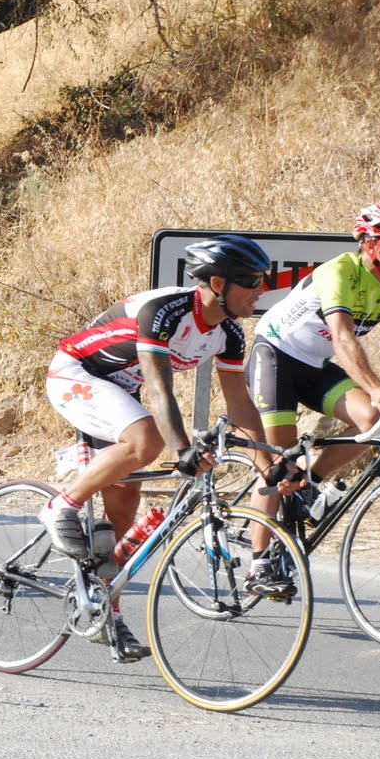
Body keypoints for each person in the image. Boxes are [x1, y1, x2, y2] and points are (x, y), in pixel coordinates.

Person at [40, 234, 276, 661]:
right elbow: (159, 390)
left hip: (119, 394)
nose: (262, 290)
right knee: (146, 440)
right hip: (76, 374)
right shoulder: (164, 312)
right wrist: (182, 448)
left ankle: (103, 613)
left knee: (120, 518)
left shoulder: (229, 334)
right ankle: (62, 505)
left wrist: (267, 464)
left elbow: (240, 402)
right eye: (252, 281)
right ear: (217, 283)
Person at [244, 204, 380, 593]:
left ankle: (310, 482)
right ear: (372, 245)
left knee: (372, 419)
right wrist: (377, 386)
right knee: (277, 466)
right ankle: (259, 564)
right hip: (276, 356)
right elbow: (344, 339)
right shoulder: (341, 271)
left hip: (314, 365)